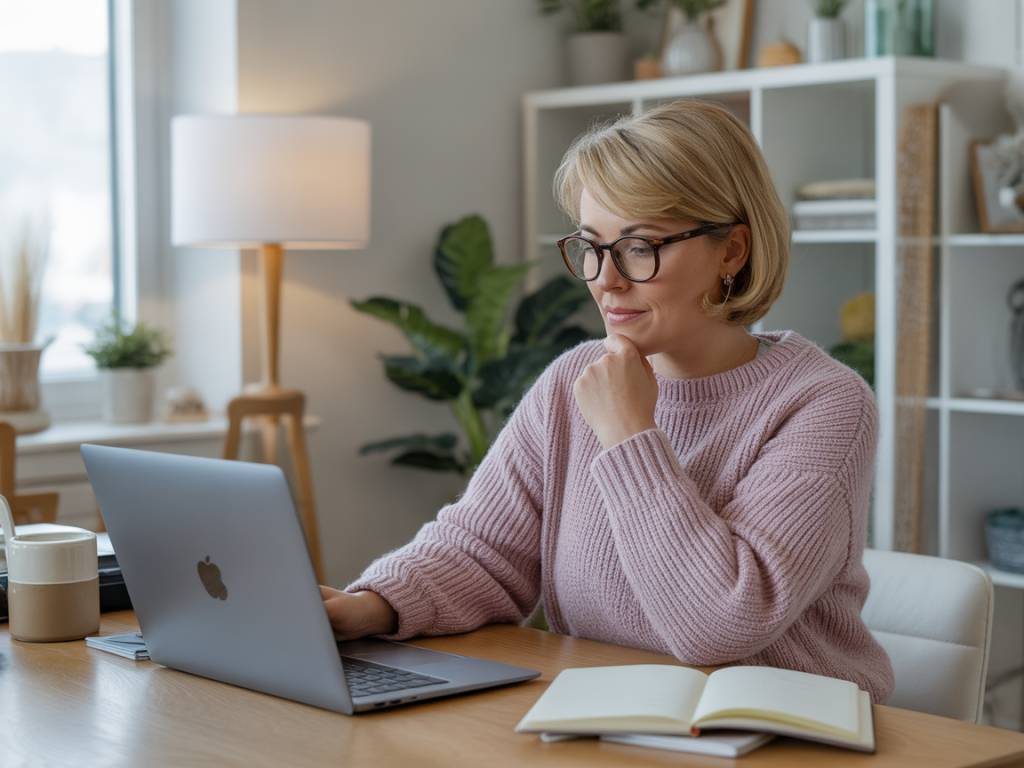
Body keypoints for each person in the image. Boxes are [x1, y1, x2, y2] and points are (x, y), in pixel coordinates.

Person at [319, 99, 894, 704]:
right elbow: (482, 552)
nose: (605, 279)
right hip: (615, 718)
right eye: (593, 246)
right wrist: (373, 605)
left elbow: (721, 624)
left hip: (788, 731)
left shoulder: (823, 404)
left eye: (640, 247)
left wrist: (629, 433)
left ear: (731, 251)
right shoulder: (574, 379)